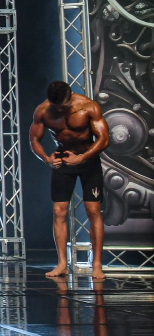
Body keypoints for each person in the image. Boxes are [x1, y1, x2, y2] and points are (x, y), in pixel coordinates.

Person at [29, 80, 110, 280]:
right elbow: (34, 140)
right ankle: (62, 264)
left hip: (88, 160)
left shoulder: (89, 106)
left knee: (93, 211)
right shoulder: (43, 111)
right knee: (59, 211)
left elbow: (104, 139)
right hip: (63, 160)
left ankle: (97, 264)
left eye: (63, 106)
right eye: (55, 106)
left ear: (70, 96)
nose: (59, 110)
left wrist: (82, 158)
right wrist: (47, 159)